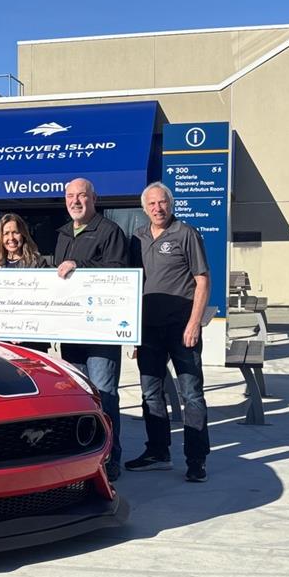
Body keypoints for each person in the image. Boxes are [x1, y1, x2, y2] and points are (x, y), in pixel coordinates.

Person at [125, 181, 211, 483]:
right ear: (144, 208)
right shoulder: (137, 239)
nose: (157, 208)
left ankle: (196, 459)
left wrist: (193, 323)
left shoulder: (185, 234)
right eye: (151, 204)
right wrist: (132, 332)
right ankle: (158, 453)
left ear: (170, 204)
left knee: (192, 394)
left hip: (181, 329)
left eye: (162, 203)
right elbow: (131, 286)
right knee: (151, 394)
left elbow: (202, 280)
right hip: (148, 330)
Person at [54, 177, 128, 482]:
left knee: (105, 395)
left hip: (101, 333)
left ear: (93, 199)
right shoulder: (62, 234)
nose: (75, 201)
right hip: (72, 332)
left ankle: (110, 458)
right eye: (70, 196)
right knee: (78, 398)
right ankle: (82, 458)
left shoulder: (110, 232)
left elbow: (120, 272)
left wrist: (79, 266)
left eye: (81, 196)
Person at [0, 213, 51, 352]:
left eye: (15, 232)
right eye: (6, 233)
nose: (11, 238)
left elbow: (44, 302)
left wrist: (22, 329)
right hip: (0, 340)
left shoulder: (38, 263)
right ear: (0, 237)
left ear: (23, 234)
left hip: (31, 340)